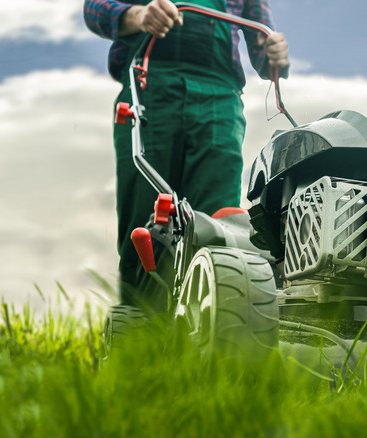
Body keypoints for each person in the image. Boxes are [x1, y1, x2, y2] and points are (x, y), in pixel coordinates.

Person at [83, 0, 289, 311]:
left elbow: (264, 47)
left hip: (219, 97)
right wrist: (139, 15)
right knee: (147, 216)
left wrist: (275, 54)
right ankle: (140, 326)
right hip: (151, 85)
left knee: (221, 223)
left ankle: (214, 323)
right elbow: (95, 9)